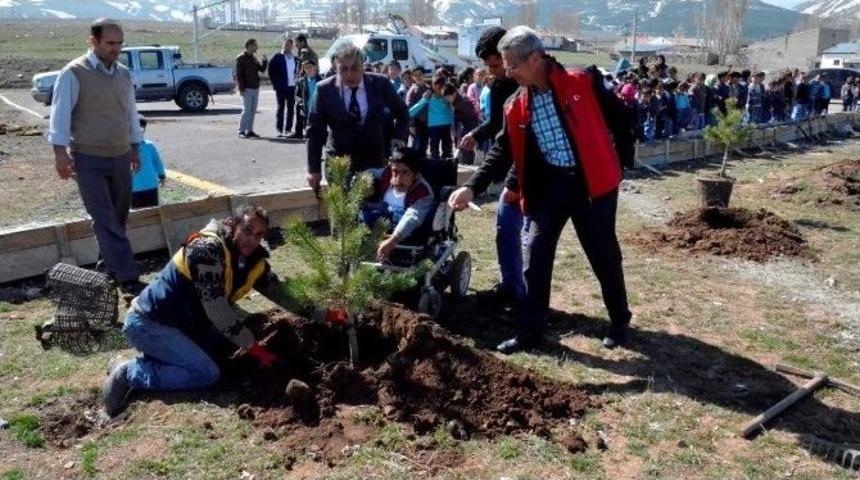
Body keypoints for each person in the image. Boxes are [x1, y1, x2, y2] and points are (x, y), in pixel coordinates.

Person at [448, 27, 636, 353]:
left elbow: (621, 116)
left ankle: (619, 321)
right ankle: (530, 331)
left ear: (535, 58)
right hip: (549, 187)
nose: (507, 72)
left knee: (602, 254)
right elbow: (502, 150)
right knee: (534, 255)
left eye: (513, 65)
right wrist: (472, 188)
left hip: (592, 186)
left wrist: (618, 162)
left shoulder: (582, 82)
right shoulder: (515, 104)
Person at [103, 205, 288, 416]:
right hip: (149, 323)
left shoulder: (251, 262)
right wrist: (255, 348)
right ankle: (128, 372)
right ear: (232, 224)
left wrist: (328, 314)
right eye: (247, 230)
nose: (253, 240)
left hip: (186, 326)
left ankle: (163, 357)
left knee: (227, 342)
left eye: (259, 234)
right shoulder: (206, 250)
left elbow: (285, 295)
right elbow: (217, 310)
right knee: (206, 373)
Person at [47, 18, 145, 298]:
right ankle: (129, 279)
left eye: (120, 43)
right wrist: (59, 153)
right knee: (104, 218)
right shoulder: (73, 73)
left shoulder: (124, 73)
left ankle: (106, 271)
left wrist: (136, 146)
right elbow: (60, 114)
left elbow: (130, 113)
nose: (116, 49)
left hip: (120, 154)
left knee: (118, 217)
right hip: (88, 158)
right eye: (110, 43)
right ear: (94, 41)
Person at [459, 26, 526, 302]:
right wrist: (477, 134)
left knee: (516, 228)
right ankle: (513, 287)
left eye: (497, 64)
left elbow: (513, 141)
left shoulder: (530, 83)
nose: (497, 71)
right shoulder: (499, 86)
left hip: (534, 168)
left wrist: (512, 181)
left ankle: (521, 295)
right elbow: (500, 125)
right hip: (515, 161)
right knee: (507, 225)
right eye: (489, 66)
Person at [305, 41, 409, 195]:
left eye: (354, 68)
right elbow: (315, 132)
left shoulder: (380, 84)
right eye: (343, 69)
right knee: (343, 216)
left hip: (374, 162)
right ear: (335, 67)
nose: (349, 75)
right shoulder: (324, 90)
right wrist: (313, 169)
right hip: (339, 165)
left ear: (363, 64)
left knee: (374, 214)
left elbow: (402, 111)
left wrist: (397, 137)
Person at [362, 147, 435, 262]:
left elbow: (413, 217)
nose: (399, 178)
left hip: (403, 232)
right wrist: (362, 181)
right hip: (377, 224)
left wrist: (393, 240)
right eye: (395, 171)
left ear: (415, 174)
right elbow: (368, 173)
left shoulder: (423, 192)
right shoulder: (385, 175)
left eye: (405, 172)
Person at [409, 72, 454, 159]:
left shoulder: (447, 95)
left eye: (440, 86)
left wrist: (453, 125)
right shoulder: (428, 95)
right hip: (434, 126)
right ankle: (435, 166)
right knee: (434, 149)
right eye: (435, 85)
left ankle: (446, 166)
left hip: (446, 125)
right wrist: (408, 115)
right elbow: (416, 108)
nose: (438, 88)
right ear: (433, 85)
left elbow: (452, 109)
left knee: (447, 149)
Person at [235, 38, 267, 138]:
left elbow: (261, 69)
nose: (256, 47)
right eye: (254, 45)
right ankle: (241, 131)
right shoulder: (240, 58)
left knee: (253, 110)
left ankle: (249, 130)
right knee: (247, 110)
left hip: (255, 87)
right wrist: (241, 89)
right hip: (247, 88)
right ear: (249, 46)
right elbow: (239, 76)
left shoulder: (254, 57)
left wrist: (265, 61)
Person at [268, 37, 300, 138]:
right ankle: (279, 129)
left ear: (292, 46)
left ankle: (288, 129)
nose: (288, 47)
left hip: (292, 87)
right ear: (283, 45)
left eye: (290, 45)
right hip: (281, 87)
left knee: (291, 109)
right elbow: (271, 72)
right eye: (286, 45)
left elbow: (298, 72)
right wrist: (275, 84)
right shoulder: (277, 57)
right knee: (280, 108)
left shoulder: (295, 58)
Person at [131, 116, 165, 208]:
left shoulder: (149, 145)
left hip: (151, 185)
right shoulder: (124, 148)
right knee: (137, 213)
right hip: (133, 188)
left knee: (153, 211)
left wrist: (161, 174)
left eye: (142, 128)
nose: (139, 131)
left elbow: (156, 160)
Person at [295, 60, 322, 139]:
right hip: (306, 108)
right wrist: (300, 104)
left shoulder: (321, 80)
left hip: (318, 108)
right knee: (307, 127)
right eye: (306, 68)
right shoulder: (301, 81)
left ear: (315, 67)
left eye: (310, 67)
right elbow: (297, 95)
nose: (308, 69)